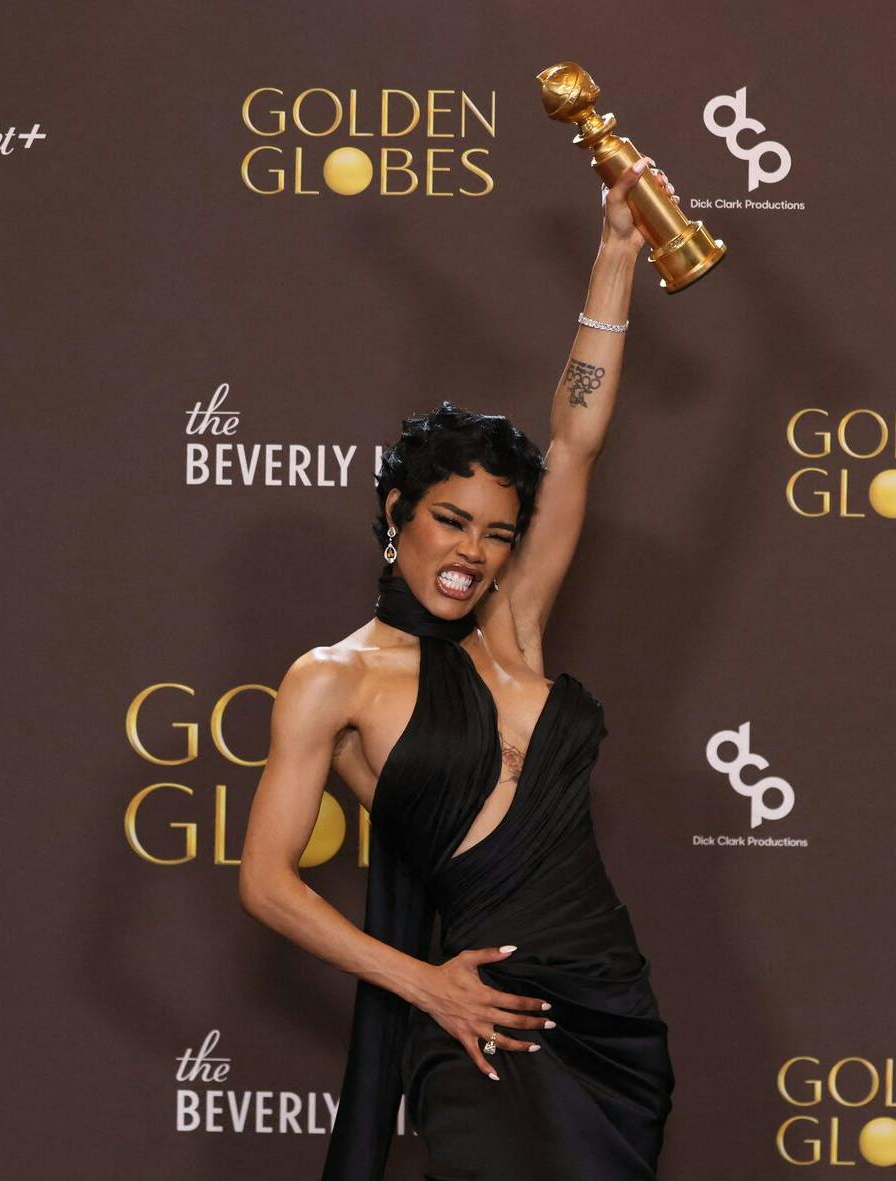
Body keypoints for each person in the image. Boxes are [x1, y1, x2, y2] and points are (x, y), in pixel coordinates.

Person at [239, 155, 679, 1179]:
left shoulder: (511, 628)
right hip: (476, 1009)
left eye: (493, 532)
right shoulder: (332, 676)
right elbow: (265, 879)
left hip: (606, 1007)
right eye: (448, 520)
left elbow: (572, 444)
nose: (470, 551)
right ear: (394, 516)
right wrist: (423, 984)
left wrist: (615, 251)